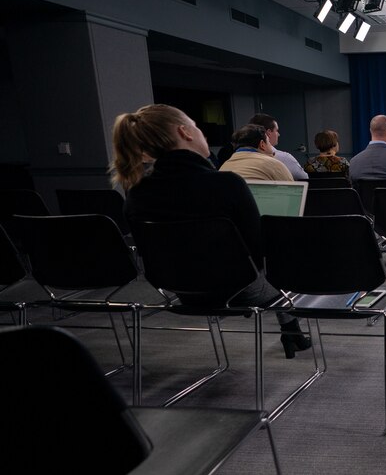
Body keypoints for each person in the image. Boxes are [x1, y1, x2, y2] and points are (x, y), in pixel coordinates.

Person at [111, 104, 310, 359]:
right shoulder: (226, 185)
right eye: (196, 126)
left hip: (178, 290)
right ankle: (293, 332)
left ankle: (291, 332)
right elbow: (259, 251)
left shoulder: (136, 193)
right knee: (293, 266)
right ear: (185, 132)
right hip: (237, 289)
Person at [219, 124, 293, 181]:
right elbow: (292, 193)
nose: (271, 148)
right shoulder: (274, 164)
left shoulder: (224, 167)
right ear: (262, 145)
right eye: (269, 142)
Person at [249, 113, 308, 180]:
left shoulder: (241, 159)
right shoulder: (284, 158)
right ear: (268, 133)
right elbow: (304, 178)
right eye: (276, 130)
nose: (279, 134)